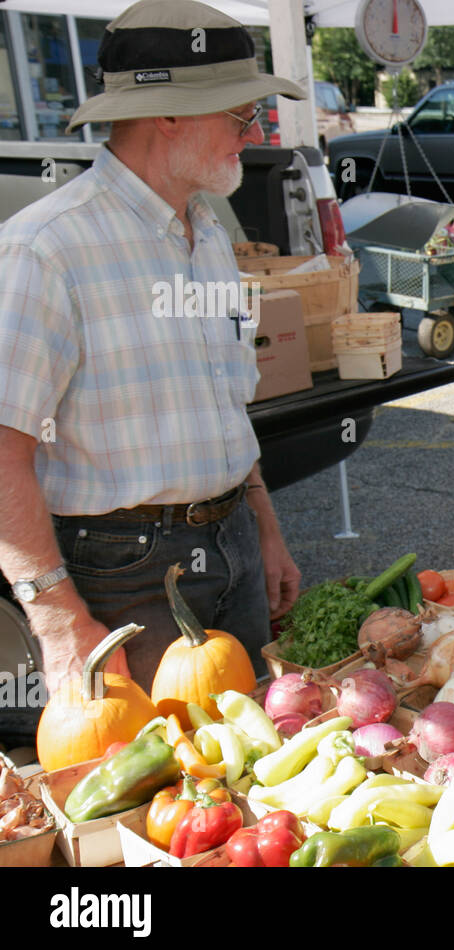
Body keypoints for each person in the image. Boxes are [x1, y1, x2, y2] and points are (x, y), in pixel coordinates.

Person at [0, 0, 305, 695]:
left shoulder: (209, 233)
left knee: (250, 767)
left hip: (232, 540)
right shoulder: (46, 247)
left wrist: (263, 524)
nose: (252, 130)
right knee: (159, 781)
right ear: (167, 114)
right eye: (238, 112)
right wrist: (56, 620)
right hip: (122, 567)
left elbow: (228, 405)